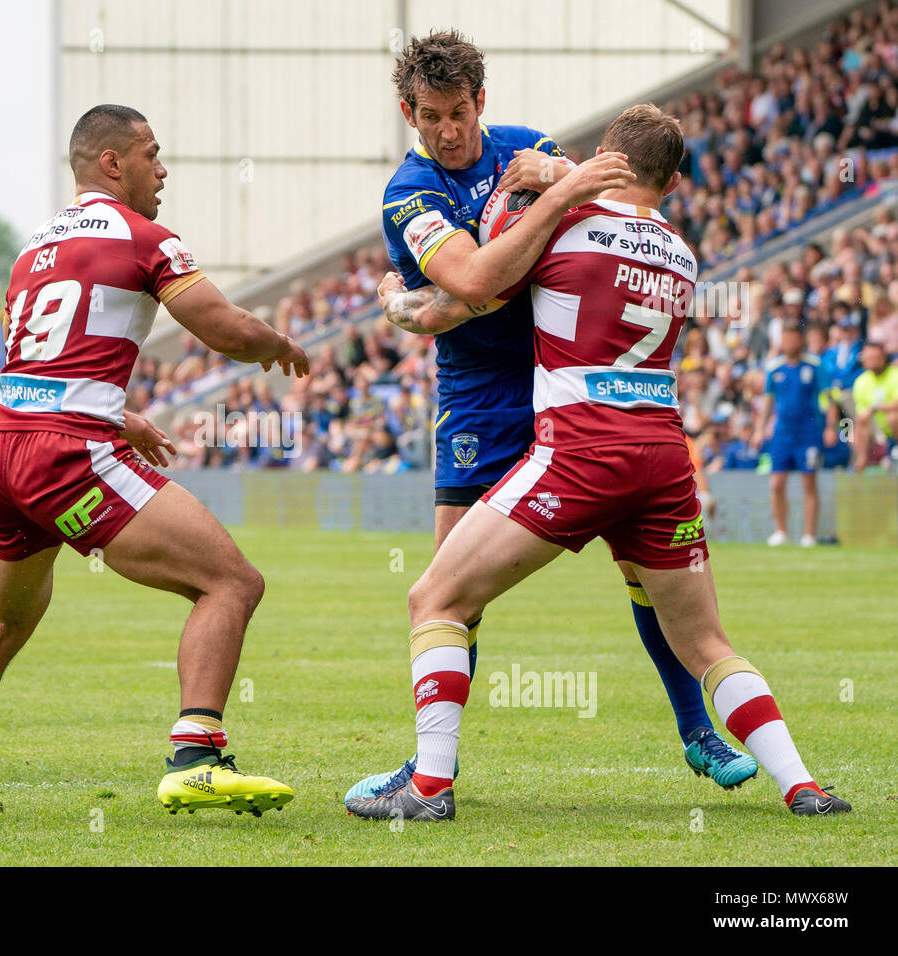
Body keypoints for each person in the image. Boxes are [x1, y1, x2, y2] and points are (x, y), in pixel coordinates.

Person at [348, 104, 849, 820]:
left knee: (434, 598)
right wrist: (566, 175)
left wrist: (396, 299)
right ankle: (804, 786)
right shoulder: (681, 249)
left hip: (581, 451)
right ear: (673, 184)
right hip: (666, 461)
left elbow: (460, 300)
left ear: (603, 158)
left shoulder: (564, 228)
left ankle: (429, 786)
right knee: (708, 641)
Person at [0, 105, 309, 822]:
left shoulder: (32, 250)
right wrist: (275, 342)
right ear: (113, 163)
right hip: (66, 455)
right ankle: (196, 758)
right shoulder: (146, 239)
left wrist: (119, 414)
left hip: (5, 455)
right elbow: (219, 325)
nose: (162, 169)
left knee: (0, 623)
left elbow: (47, 362)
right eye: (152, 153)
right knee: (231, 582)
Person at [756, 325, 829, 546]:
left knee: (809, 482)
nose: (789, 342)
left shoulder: (815, 365)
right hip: (782, 434)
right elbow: (768, 401)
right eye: (785, 338)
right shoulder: (774, 368)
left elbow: (828, 397)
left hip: (809, 433)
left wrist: (831, 427)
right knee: (777, 483)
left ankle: (809, 534)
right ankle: (780, 531)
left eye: (793, 338)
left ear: (801, 340)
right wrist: (760, 428)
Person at [843, 340, 898, 469]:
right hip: (875, 430)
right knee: (848, 427)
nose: (872, 361)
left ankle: (895, 448)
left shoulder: (895, 375)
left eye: (875, 357)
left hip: (893, 426)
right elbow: (861, 413)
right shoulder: (861, 381)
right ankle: (862, 460)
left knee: (893, 416)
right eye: (869, 358)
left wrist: (874, 408)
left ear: (883, 357)